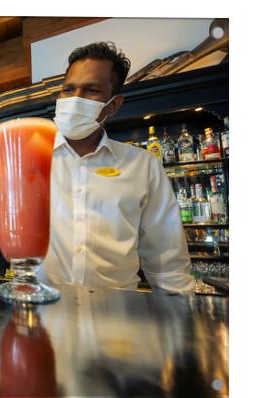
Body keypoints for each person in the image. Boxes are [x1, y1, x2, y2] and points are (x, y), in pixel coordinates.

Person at [40, 41, 194, 294]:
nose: (75, 99)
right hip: (40, 315)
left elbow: (167, 262)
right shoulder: (27, 157)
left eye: (91, 90)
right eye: (68, 89)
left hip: (117, 318)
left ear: (113, 104)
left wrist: (180, 323)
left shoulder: (142, 165)